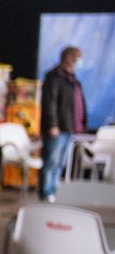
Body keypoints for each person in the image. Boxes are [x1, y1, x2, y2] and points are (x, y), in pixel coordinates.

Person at [39, 46, 87, 200]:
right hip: (57, 128)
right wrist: (53, 124)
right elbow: (50, 103)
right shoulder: (54, 77)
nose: (80, 61)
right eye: (78, 57)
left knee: (60, 162)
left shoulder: (72, 78)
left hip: (69, 126)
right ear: (69, 58)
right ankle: (46, 191)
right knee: (51, 160)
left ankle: (54, 189)